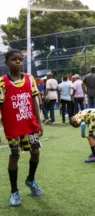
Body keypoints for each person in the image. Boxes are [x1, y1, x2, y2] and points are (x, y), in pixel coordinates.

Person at [0, 49, 43, 206]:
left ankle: (30, 180)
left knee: (36, 152)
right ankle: (14, 191)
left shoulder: (29, 78)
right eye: (13, 59)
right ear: (6, 63)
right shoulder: (2, 82)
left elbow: (34, 101)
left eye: (20, 59)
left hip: (30, 125)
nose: (18, 61)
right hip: (13, 128)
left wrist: (39, 122)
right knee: (14, 157)